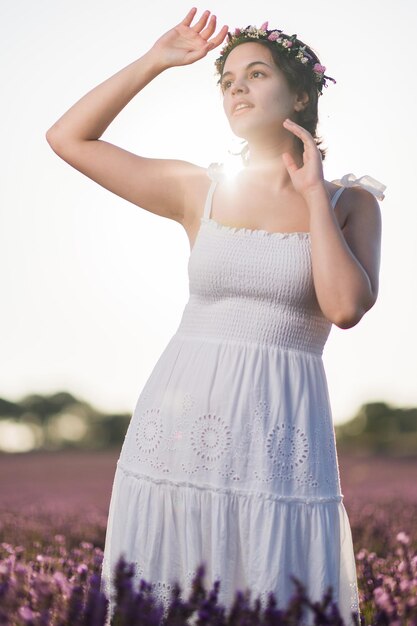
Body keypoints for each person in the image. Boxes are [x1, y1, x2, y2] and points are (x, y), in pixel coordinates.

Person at [45, 8, 385, 625]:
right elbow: (68, 139)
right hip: (179, 428)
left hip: (280, 431)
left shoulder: (348, 203)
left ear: (301, 94)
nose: (237, 87)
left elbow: (344, 307)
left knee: (274, 596)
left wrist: (312, 193)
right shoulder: (198, 189)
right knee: (160, 600)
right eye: (228, 79)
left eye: (256, 74)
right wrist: (155, 60)